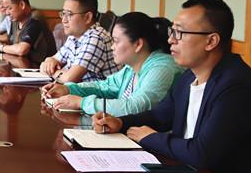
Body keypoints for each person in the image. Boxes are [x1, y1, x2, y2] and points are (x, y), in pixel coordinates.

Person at [93, 0, 251, 173]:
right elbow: (160, 116)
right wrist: (120, 122)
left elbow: (202, 153)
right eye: (172, 31)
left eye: (180, 33)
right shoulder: (190, 76)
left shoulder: (236, 85)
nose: (171, 40)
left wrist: (150, 137)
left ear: (211, 41)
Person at [42, 12, 183, 115]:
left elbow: (136, 107)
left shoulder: (162, 68)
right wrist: (68, 89)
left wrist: (82, 103)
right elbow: (105, 86)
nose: (112, 47)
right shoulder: (131, 67)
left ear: (138, 44)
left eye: (116, 41)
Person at [39, 0, 119, 83]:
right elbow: (52, 60)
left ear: (87, 17)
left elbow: (69, 79)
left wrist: (53, 72)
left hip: (98, 92)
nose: (64, 20)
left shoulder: (96, 38)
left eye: (69, 14)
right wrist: (49, 61)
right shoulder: (74, 36)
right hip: (79, 90)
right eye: (63, 13)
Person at [0, 0, 56, 64]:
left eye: (10, 8)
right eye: (6, 9)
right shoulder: (15, 19)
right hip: (21, 66)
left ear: (22, 5)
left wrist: (0, 46)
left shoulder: (35, 19)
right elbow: (10, 40)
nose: (7, 13)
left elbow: (22, 50)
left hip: (40, 68)